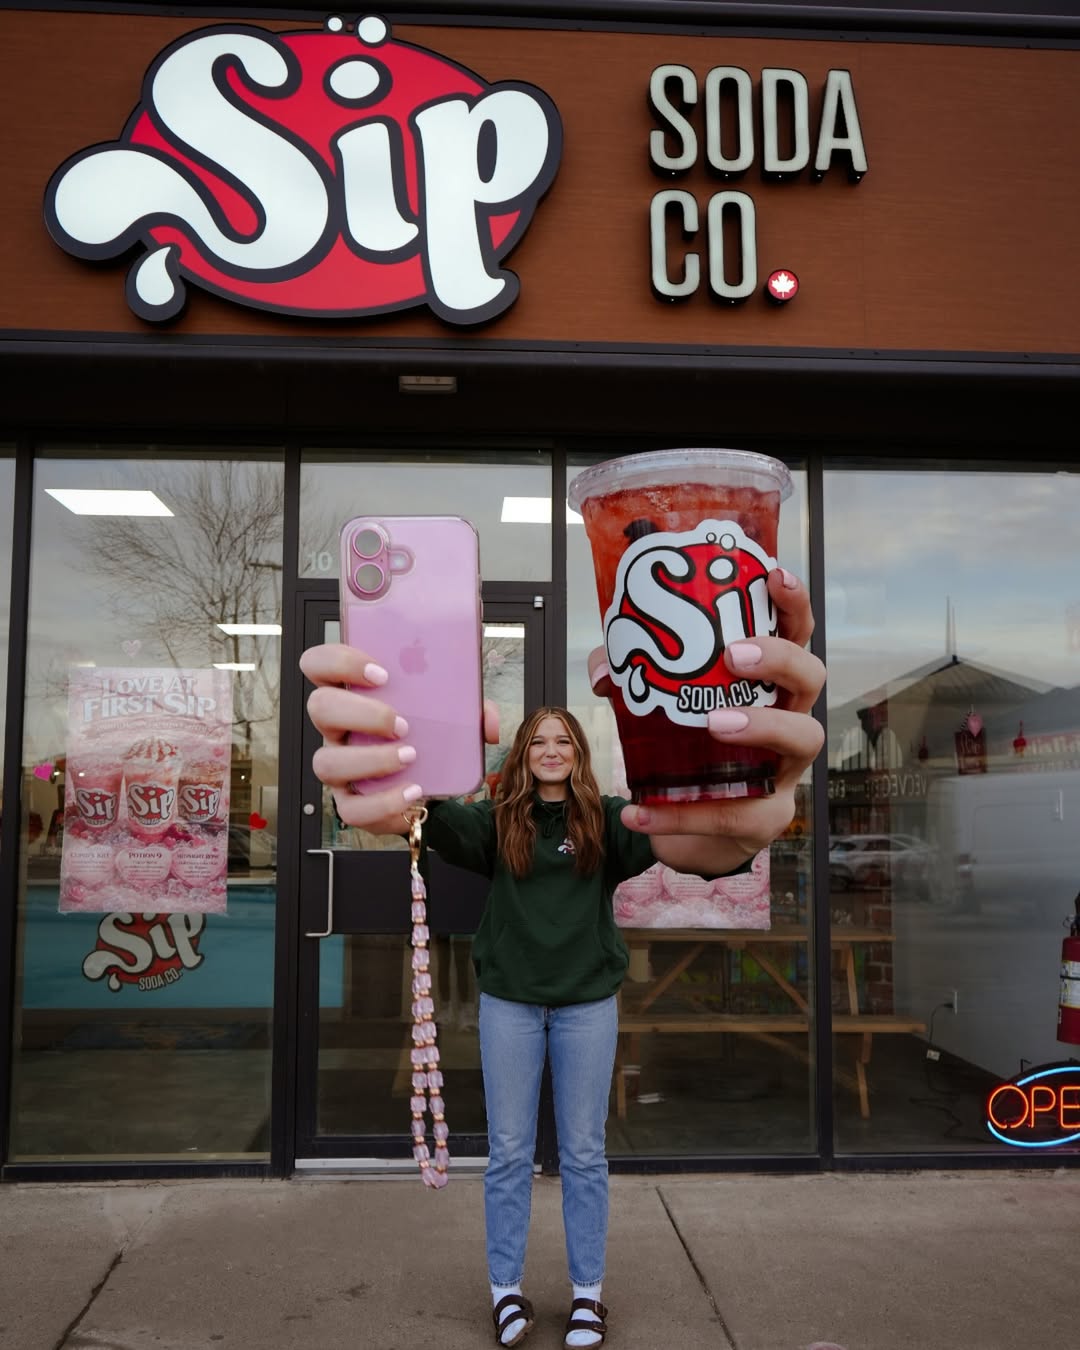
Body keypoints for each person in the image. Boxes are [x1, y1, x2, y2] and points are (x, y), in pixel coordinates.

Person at [301, 566, 825, 1349]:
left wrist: (740, 811)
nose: (550, 750)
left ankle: (587, 1295)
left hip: (586, 1006)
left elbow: (697, 845)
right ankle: (506, 1291)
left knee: (583, 1153)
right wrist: (386, 751)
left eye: (563, 741)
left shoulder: (610, 822)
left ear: (579, 754)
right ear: (524, 754)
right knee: (510, 1154)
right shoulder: (492, 823)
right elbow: (420, 811)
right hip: (511, 1005)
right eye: (538, 741)